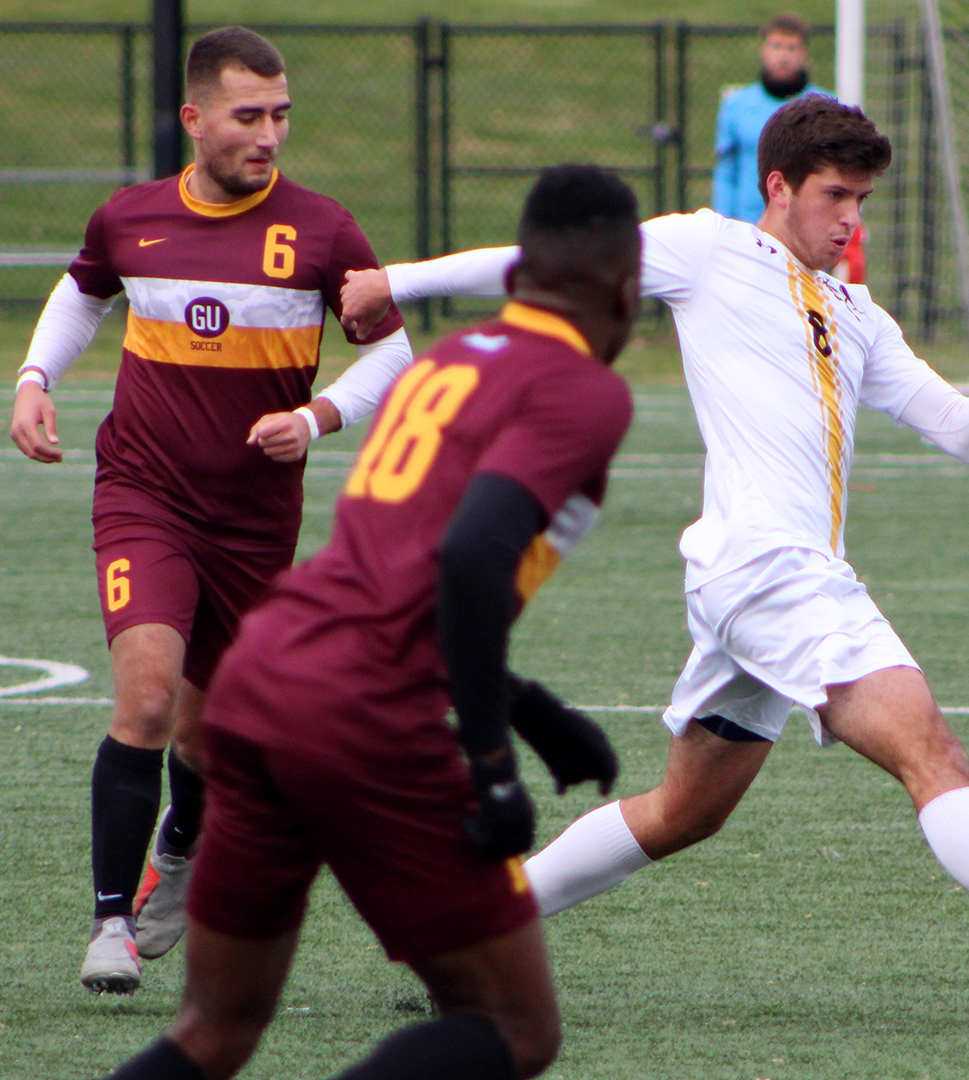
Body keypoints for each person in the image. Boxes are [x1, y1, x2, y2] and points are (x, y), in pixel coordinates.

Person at [341, 96, 969, 1013]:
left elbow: (961, 432)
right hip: (769, 572)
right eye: (836, 196)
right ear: (779, 185)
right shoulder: (708, 249)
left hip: (763, 582)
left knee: (683, 815)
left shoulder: (856, 312)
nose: (850, 220)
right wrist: (394, 278)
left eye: (863, 200)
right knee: (930, 749)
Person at [99, 164, 639, 1080]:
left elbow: (391, 573)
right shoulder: (586, 392)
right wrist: (493, 765)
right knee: (515, 1027)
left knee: (214, 1031)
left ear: (517, 279)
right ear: (629, 290)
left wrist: (525, 704)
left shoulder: (456, 360)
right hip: (364, 712)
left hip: (262, 677)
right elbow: (466, 562)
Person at [7, 26, 414, 994]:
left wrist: (318, 416)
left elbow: (394, 351)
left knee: (211, 739)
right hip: (146, 496)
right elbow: (82, 293)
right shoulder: (131, 218)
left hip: (254, 522)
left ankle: (182, 850)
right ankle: (110, 923)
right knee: (146, 700)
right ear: (194, 120)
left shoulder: (324, 232)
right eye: (247, 116)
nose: (268, 136)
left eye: (280, 116)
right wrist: (34, 379)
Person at [712, 13, 829, 225]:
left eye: (791, 48)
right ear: (763, 51)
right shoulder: (736, 105)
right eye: (776, 46)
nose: (783, 56)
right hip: (748, 226)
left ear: (804, 54)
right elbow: (726, 172)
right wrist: (722, 222)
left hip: (804, 227)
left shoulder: (825, 106)